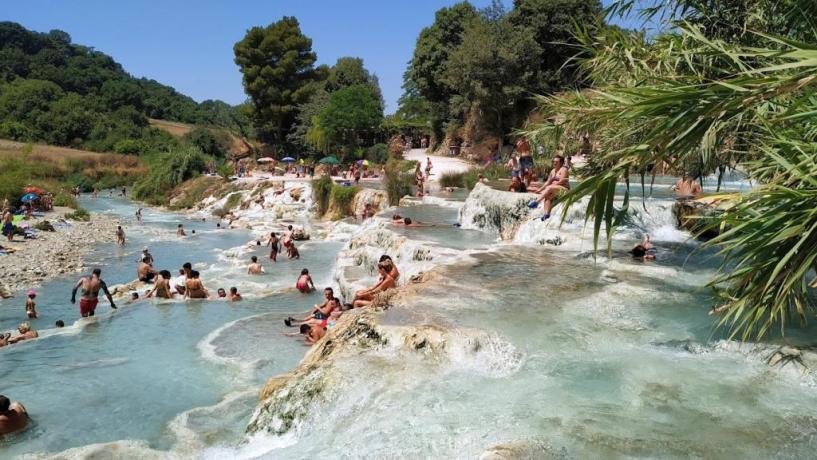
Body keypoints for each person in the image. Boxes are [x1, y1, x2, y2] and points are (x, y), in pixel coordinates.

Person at [530, 155, 570, 221]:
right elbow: (547, 182)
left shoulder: (564, 170)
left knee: (549, 188)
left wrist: (553, 185)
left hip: (564, 190)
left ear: (561, 163)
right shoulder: (552, 171)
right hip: (555, 190)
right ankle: (546, 215)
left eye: (556, 162)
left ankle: (536, 202)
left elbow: (562, 181)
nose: (554, 163)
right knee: (548, 196)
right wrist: (539, 190)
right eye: (553, 161)